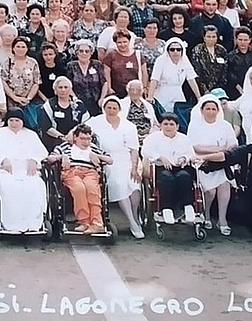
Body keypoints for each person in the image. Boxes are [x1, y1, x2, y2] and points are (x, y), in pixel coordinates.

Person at [0, 109, 50, 234]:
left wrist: (35, 160)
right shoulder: (0, 133)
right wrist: (2, 159)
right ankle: (11, 224)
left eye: (17, 121)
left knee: (36, 187)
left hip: (28, 171)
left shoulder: (31, 134)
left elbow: (42, 152)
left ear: (22, 121)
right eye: (11, 120)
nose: (14, 123)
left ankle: (33, 223)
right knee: (11, 189)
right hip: (7, 171)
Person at [88, 94, 143, 237]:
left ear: (119, 109)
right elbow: (78, 132)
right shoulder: (95, 122)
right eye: (108, 107)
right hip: (107, 160)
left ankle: (135, 215)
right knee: (119, 184)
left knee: (134, 185)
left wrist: (134, 167)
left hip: (126, 159)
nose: (111, 110)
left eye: (114, 108)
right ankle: (131, 221)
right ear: (104, 108)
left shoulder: (129, 126)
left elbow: (134, 149)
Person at [189, 94, 238, 234]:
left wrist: (224, 150)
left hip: (221, 162)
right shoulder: (195, 125)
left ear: (218, 110)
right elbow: (194, 146)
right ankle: (207, 214)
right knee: (210, 191)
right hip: (202, 162)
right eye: (207, 108)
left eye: (213, 109)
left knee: (225, 186)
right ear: (202, 110)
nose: (210, 111)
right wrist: (216, 149)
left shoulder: (225, 125)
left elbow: (233, 143)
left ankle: (222, 220)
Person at [141, 114, 200, 225]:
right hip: (161, 168)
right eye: (165, 124)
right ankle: (166, 209)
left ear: (177, 126)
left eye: (172, 124)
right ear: (160, 125)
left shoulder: (184, 138)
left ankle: (188, 207)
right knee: (167, 178)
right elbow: (145, 151)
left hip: (181, 167)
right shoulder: (152, 138)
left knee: (184, 177)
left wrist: (184, 158)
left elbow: (191, 154)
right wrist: (160, 157)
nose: (168, 127)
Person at [57, 123, 111, 234]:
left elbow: (110, 160)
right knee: (79, 189)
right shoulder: (65, 147)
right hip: (72, 172)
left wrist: (97, 156)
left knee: (92, 189)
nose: (86, 142)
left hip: (89, 172)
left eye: (88, 139)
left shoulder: (93, 148)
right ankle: (84, 221)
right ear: (75, 137)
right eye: (82, 139)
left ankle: (97, 223)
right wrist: (62, 156)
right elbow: (49, 158)